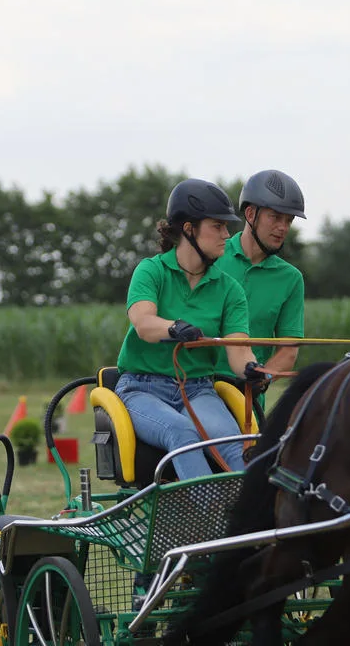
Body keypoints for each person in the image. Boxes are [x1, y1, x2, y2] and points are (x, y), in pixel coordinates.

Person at [115, 178, 267, 481]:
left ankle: (250, 521)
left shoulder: (229, 290)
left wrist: (251, 370)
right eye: (217, 226)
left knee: (233, 445)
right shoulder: (151, 270)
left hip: (199, 389)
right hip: (141, 388)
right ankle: (205, 520)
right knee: (181, 432)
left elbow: (239, 349)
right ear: (188, 229)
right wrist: (174, 328)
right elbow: (144, 324)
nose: (227, 235)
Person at [214, 170, 306, 397]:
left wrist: (262, 378)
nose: (283, 227)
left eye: (289, 220)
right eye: (275, 217)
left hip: (247, 402)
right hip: (194, 390)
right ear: (250, 214)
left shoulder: (291, 278)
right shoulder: (212, 258)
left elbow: (288, 351)